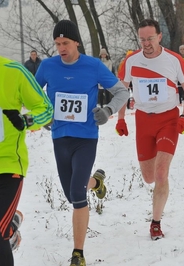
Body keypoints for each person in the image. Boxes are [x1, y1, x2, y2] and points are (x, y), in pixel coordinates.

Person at [35, 20, 129, 265]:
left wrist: (108, 110)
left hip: (86, 137)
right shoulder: (47, 66)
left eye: (65, 43)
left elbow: (122, 92)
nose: (61, 48)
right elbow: (33, 96)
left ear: (76, 42)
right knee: (70, 193)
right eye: (57, 44)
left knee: (77, 195)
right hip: (60, 137)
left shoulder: (94, 66)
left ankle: (78, 253)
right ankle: (96, 181)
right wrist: (42, 114)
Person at [0, 11, 53, 266]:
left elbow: (46, 110)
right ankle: (13, 223)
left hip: (7, 167)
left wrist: (27, 121)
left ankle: (5, 229)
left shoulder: (13, 71)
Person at [115, 18, 184, 240]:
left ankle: (156, 223)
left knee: (160, 174)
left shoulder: (174, 60)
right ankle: (158, 190)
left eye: (150, 38)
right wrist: (120, 119)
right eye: (142, 39)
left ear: (159, 37)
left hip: (168, 119)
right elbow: (122, 93)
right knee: (149, 176)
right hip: (143, 121)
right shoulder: (131, 61)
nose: (146, 43)